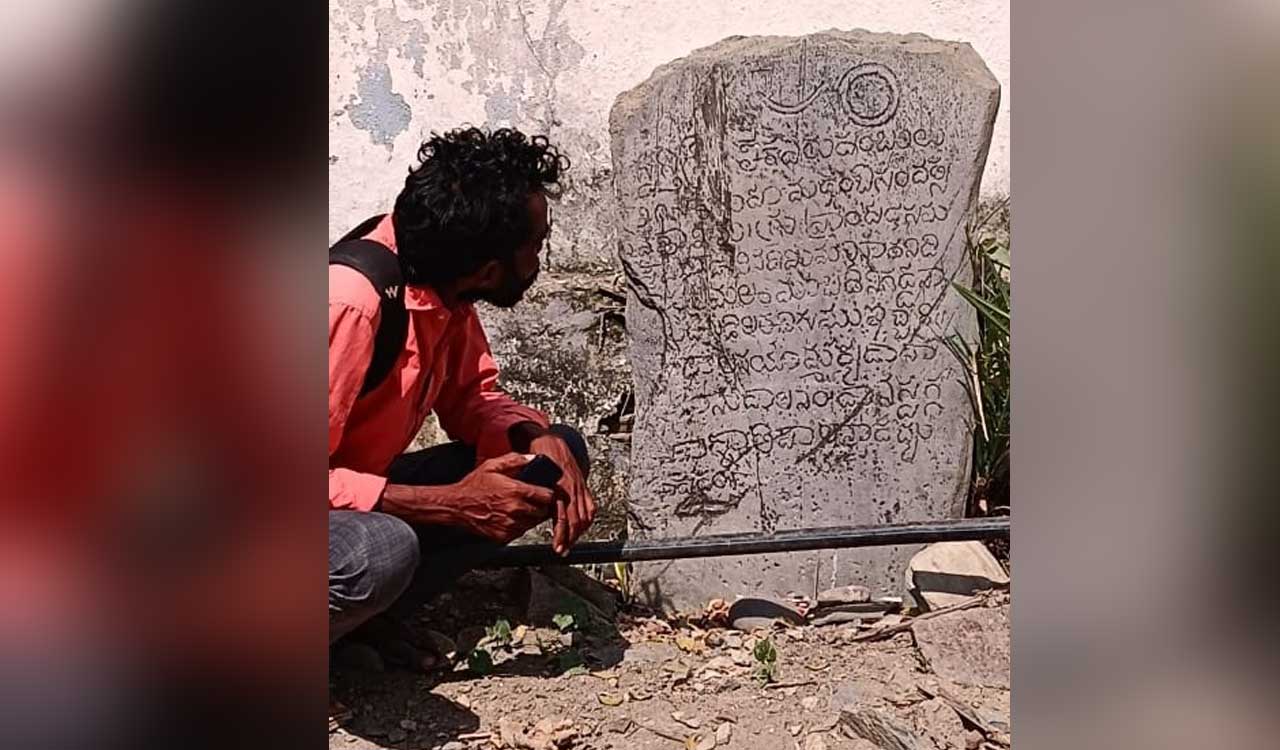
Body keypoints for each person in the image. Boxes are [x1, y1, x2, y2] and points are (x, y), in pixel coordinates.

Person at [328, 127, 596, 676]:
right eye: (537, 245)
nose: (541, 259)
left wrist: (532, 434)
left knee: (547, 463)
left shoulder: (444, 286)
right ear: (489, 268)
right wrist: (449, 503)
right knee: (381, 551)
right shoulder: (349, 304)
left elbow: (473, 398)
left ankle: (353, 626)